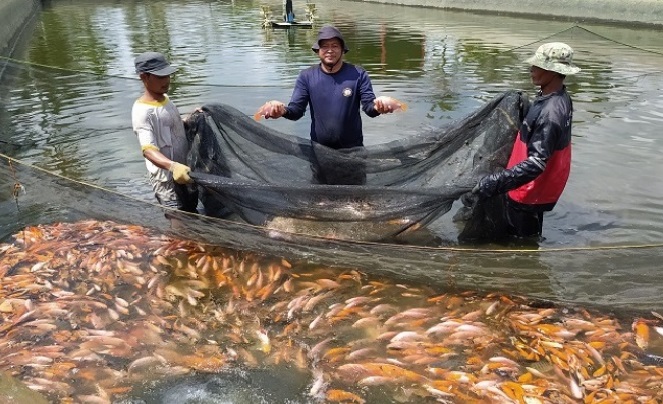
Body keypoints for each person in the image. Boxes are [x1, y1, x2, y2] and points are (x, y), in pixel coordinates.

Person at [257, 25, 402, 184]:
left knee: (356, 200)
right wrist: (282, 110)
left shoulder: (358, 74)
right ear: (318, 50)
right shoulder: (307, 77)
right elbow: (296, 111)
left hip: (353, 152)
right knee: (322, 200)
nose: (330, 50)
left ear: (342, 50)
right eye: (324, 46)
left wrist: (378, 107)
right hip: (320, 153)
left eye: (334, 46)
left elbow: (369, 107)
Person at [468, 42, 580, 238]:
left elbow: (536, 164)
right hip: (536, 188)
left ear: (552, 71)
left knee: (522, 244)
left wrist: (493, 182)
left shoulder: (551, 113)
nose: (531, 69)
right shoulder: (557, 96)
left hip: (529, 193)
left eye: (537, 66)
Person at [131, 51, 197, 212]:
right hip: (167, 181)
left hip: (185, 174)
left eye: (167, 75)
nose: (166, 81)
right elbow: (148, 150)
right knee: (178, 223)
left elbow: (172, 125)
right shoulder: (142, 112)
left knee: (193, 216)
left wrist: (191, 119)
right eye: (160, 77)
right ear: (144, 77)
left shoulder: (165, 99)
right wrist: (173, 167)